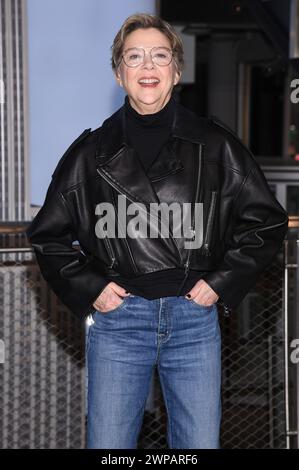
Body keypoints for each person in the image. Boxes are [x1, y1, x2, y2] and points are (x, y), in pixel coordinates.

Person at [26, 13, 289, 449]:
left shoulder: (216, 145)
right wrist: (94, 288)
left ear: (177, 70)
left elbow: (267, 221)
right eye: (135, 56)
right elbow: (47, 235)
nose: (148, 67)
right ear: (119, 72)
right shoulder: (89, 153)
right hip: (118, 323)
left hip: (193, 320)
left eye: (159, 56)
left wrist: (219, 284)